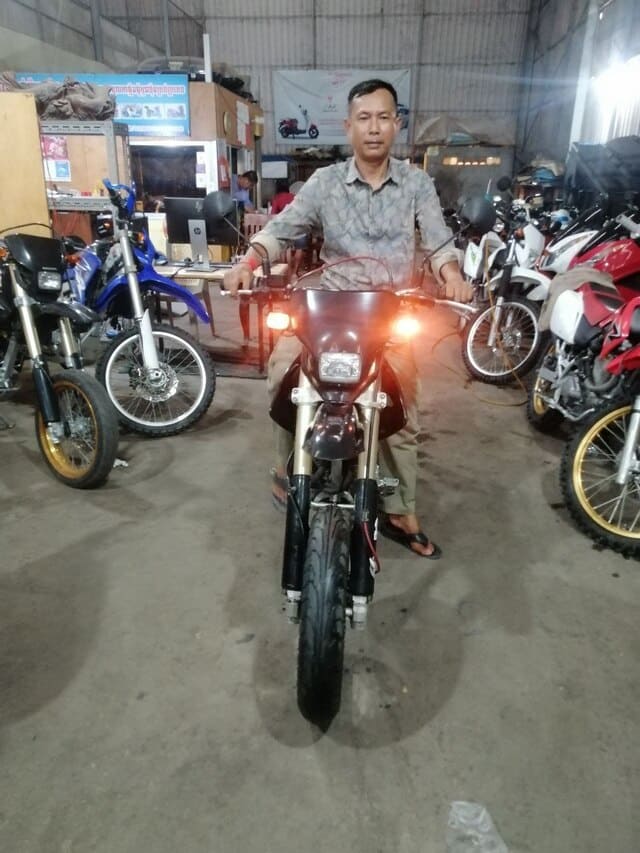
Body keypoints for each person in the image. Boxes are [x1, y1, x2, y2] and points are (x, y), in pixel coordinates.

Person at [223, 79, 472, 558]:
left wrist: (452, 275)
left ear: (396, 124)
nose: (373, 128)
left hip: (389, 312)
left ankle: (399, 508)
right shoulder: (325, 182)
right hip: (330, 310)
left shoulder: (416, 184)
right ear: (349, 126)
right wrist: (247, 263)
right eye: (364, 118)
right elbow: (282, 229)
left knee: (403, 402)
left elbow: (438, 241)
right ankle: (286, 471)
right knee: (283, 372)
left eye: (383, 117)